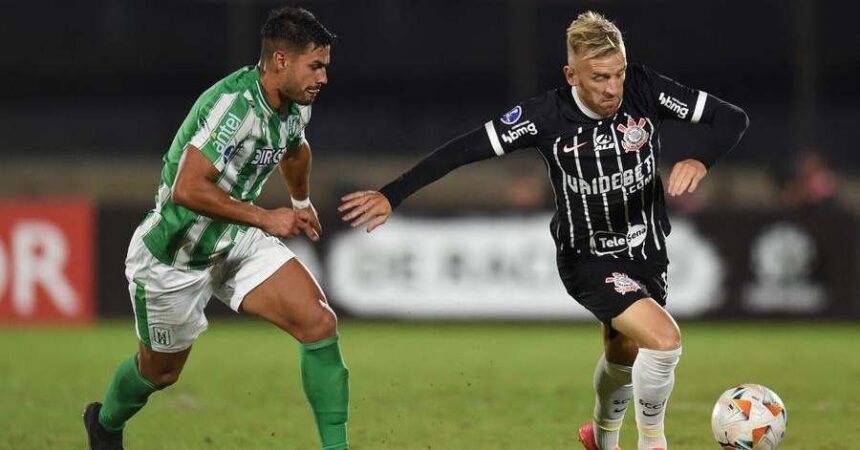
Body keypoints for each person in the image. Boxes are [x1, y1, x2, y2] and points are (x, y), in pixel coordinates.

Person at [339, 11, 747, 450]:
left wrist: (699, 159)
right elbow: (465, 148)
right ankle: (653, 443)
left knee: (623, 354)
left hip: (647, 251)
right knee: (664, 342)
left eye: (618, 74)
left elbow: (732, 118)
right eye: (599, 77)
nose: (612, 88)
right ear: (572, 74)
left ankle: (602, 440)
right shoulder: (546, 116)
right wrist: (394, 194)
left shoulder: (646, 89)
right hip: (587, 258)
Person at [83, 7, 349, 450]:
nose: (323, 78)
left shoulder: (294, 107)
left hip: (235, 240)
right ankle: (104, 424)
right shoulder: (234, 106)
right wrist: (267, 216)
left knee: (318, 322)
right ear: (280, 60)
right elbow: (187, 188)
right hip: (175, 254)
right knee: (160, 372)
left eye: (324, 67)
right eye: (315, 66)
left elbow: (296, 151)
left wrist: (300, 202)